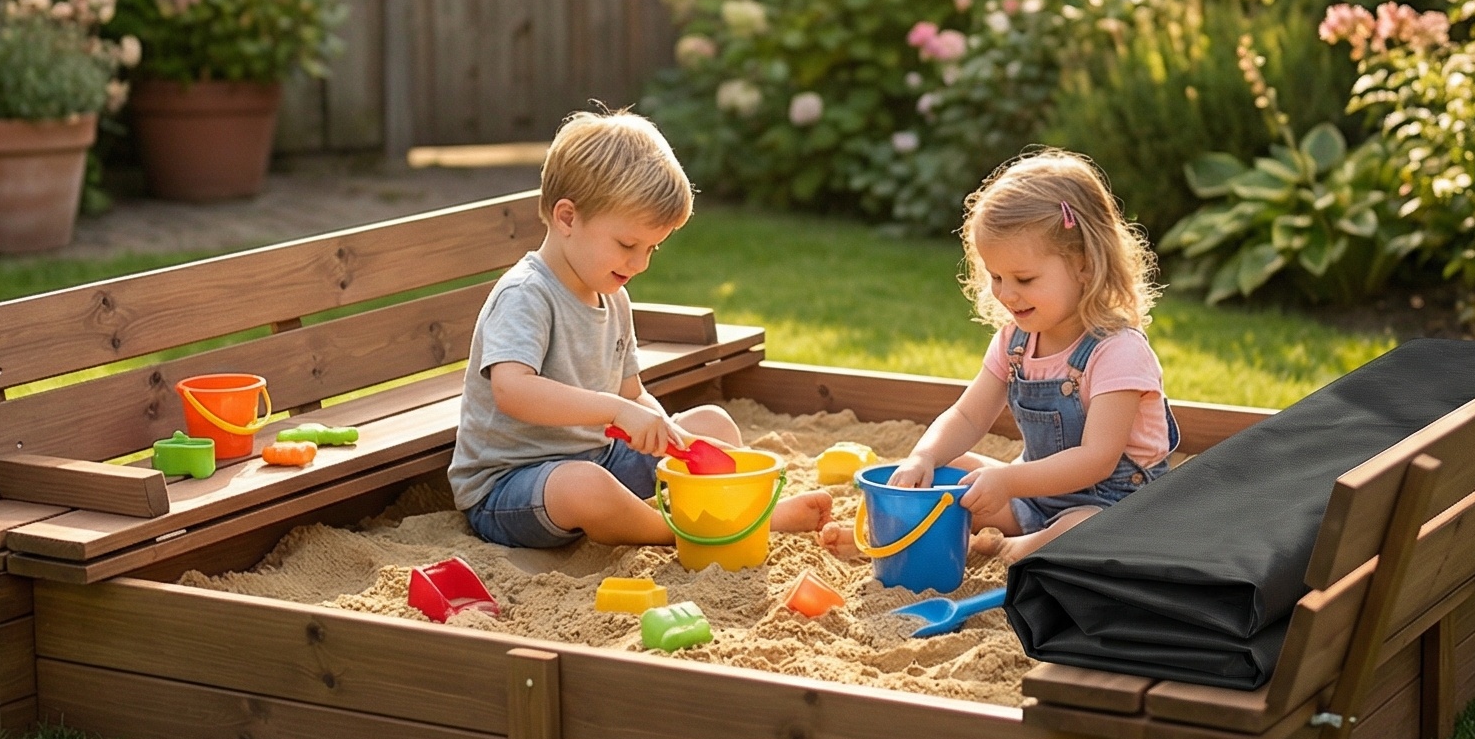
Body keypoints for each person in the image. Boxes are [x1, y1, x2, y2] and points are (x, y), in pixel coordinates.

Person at [449, 108, 832, 549]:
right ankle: (692, 532)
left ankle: (731, 511)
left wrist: (666, 431)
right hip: (513, 487)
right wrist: (614, 412)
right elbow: (512, 391)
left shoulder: (612, 295)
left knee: (714, 425)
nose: (640, 263)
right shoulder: (526, 294)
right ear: (568, 218)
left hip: (599, 458)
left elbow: (632, 394)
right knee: (585, 487)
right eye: (628, 244)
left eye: (652, 248)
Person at [882, 149, 1174, 566]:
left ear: (1085, 267)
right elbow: (967, 417)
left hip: (1114, 508)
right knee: (953, 465)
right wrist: (924, 456)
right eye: (996, 276)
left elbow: (1097, 459)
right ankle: (1012, 538)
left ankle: (1010, 549)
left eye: (1024, 279)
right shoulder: (1014, 343)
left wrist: (1008, 480)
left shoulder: (1118, 352)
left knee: (1083, 528)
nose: (1006, 293)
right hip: (1034, 497)